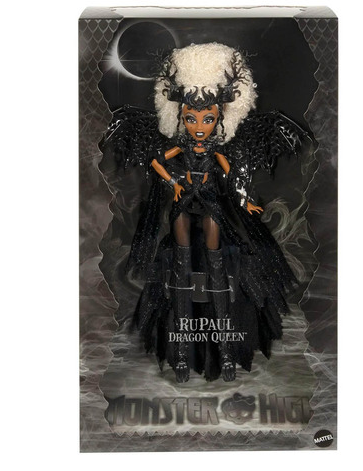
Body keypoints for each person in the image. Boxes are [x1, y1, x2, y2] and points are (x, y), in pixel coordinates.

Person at [100, 43, 308, 382]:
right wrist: (174, 183)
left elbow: (233, 175)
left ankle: (225, 353)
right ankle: (182, 354)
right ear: (181, 118)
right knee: (181, 267)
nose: (199, 126)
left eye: (207, 119)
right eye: (191, 118)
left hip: (211, 203)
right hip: (183, 204)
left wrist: (245, 201)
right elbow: (156, 161)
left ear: (220, 118)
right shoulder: (180, 144)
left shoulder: (217, 148)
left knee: (217, 268)